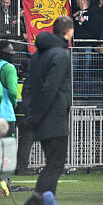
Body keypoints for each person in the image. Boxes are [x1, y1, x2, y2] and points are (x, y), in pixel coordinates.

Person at [23, 15, 73, 195]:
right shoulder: (61, 55)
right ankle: (40, 202)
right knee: (55, 164)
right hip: (54, 116)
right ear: (69, 32)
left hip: (41, 115)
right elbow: (50, 88)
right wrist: (36, 116)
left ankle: (40, 202)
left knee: (52, 163)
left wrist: (30, 113)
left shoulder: (37, 55)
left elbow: (29, 86)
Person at [0, 40, 19, 136]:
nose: (13, 53)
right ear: (4, 53)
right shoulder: (9, 67)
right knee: (6, 149)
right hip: (5, 115)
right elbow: (13, 92)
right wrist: (14, 104)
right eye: (11, 51)